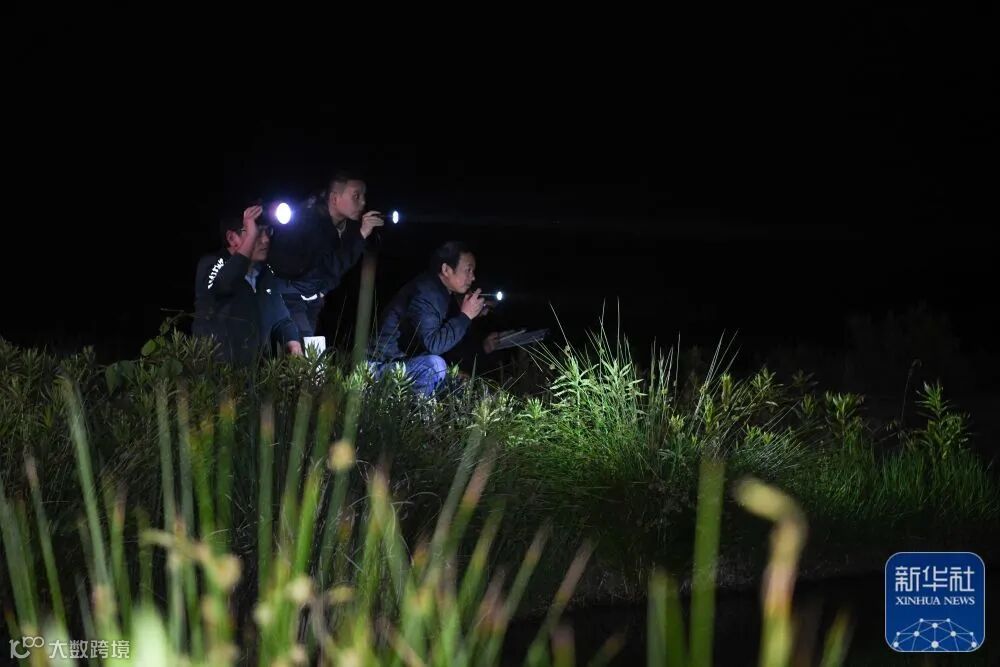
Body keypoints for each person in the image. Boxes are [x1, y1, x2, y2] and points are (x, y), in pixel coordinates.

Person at [369, 241, 498, 395]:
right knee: (435, 365)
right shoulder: (426, 292)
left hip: (401, 363)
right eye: (468, 270)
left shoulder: (442, 294)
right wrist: (465, 316)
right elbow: (434, 345)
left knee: (460, 381)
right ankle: (416, 409)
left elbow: (448, 347)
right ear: (446, 269)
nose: (473, 277)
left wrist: (481, 345)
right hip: (378, 366)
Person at [267, 171, 385, 338]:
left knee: (311, 344)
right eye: (356, 196)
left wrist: (323, 290)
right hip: (290, 293)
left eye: (364, 196)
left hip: (312, 296)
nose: (363, 202)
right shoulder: (310, 220)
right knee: (303, 344)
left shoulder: (348, 226)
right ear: (335, 198)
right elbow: (331, 265)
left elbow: (340, 268)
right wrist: (362, 234)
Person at [193, 205, 303, 365]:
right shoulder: (211, 264)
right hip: (218, 375)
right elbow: (223, 284)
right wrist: (251, 236)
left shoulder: (265, 273)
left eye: (268, 231)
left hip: (257, 375)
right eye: (257, 233)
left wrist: (292, 342)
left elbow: (281, 319)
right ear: (232, 238)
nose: (265, 239)